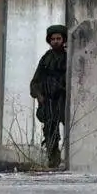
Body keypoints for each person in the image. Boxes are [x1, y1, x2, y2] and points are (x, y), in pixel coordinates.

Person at [30, 23, 68, 168]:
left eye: (59, 38)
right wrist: (39, 96)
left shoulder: (68, 57)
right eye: (53, 39)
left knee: (71, 128)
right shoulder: (46, 59)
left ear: (63, 40)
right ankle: (53, 160)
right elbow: (35, 81)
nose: (56, 41)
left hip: (63, 100)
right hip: (49, 101)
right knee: (50, 132)